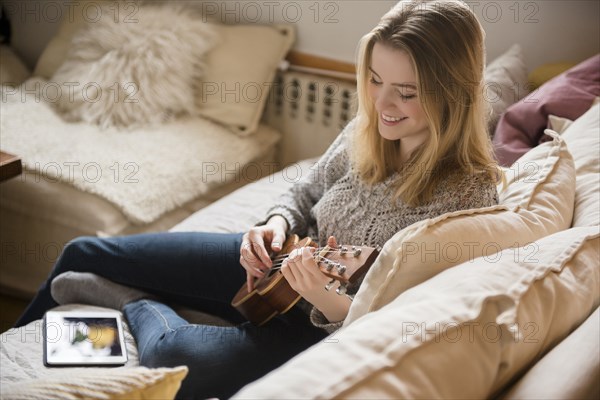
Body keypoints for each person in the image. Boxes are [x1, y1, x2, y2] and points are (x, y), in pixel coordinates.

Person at [16, 0, 501, 398]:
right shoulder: (368, 130)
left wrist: (324, 298)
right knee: (82, 250)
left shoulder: (469, 194)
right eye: (374, 81)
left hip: (313, 328)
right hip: (275, 266)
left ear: (452, 93)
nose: (381, 104)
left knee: (172, 359)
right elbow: (305, 191)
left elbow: (403, 320)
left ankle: (132, 301)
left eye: (406, 92)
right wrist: (273, 224)